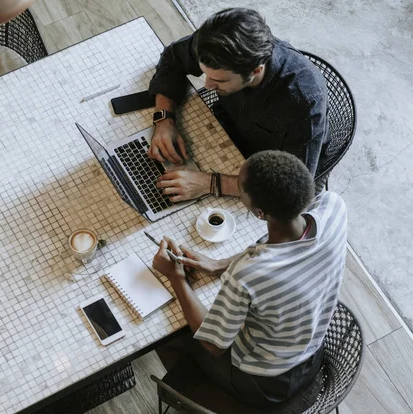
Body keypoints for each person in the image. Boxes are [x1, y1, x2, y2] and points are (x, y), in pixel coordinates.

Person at [152, 150, 347, 406]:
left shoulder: (248, 274)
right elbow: (278, 252)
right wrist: (220, 263)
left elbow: (213, 345)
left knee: (166, 337)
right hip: (309, 354)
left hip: (264, 383)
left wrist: (175, 276)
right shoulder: (334, 207)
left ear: (259, 212)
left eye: (240, 189)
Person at [148, 8, 329, 201]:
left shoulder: (303, 102)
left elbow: (295, 186)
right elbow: (172, 58)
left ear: (255, 70)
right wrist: (164, 119)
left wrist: (210, 183)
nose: (207, 85)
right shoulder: (214, 44)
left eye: (220, 81)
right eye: (205, 74)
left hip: (274, 165)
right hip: (229, 128)